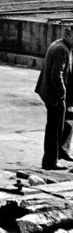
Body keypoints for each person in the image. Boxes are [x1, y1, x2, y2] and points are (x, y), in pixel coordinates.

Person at [35, 28, 73, 169]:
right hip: (55, 96)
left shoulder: (61, 45)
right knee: (55, 128)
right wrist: (62, 94)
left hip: (52, 93)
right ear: (69, 34)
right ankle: (50, 162)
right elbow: (56, 75)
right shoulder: (61, 50)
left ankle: (60, 152)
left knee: (64, 122)